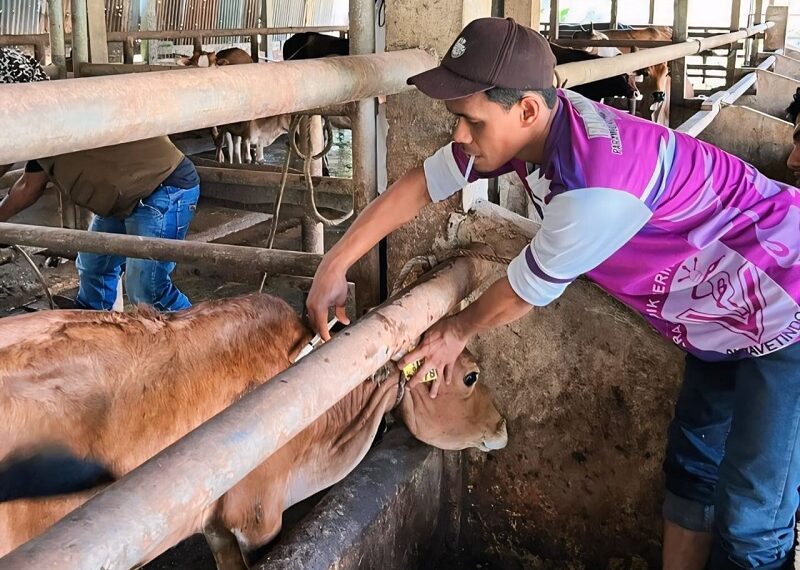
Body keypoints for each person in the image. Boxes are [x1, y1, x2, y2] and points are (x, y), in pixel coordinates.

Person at [306, 17, 800, 570]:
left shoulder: (595, 185)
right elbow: (422, 184)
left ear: (526, 111)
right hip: (718, 319)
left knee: (754, 518)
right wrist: (336, 261)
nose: (459, 137)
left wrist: (456, 330)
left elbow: (523, 292)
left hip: (784, 304)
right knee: (693, 468)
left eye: (470, 121)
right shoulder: (530, 132)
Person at [0, 45, 199, 312]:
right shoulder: (41, 117)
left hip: (161, 189)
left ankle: (199, 344)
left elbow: (25, 182)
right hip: (122, 197)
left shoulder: (47, 117)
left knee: (147, 290)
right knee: (94, 266)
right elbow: (26, 179)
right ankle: (97, 334)